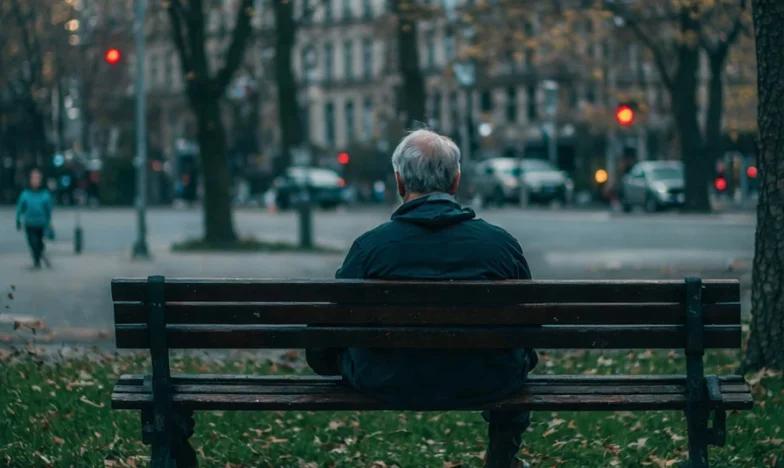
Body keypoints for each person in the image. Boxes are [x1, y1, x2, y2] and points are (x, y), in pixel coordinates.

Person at [307, 129, 537, 468]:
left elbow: (329, 329)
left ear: (399, 182)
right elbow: (530, 325)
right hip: (486, 379)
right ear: (455, 181)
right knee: (516, 357)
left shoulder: (371, 248)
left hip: (386, 379)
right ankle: (502, 458)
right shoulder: (500, 245)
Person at [16, 169, 53, 269]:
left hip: (41, 223)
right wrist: (18, 220)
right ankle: (37, 261)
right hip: (30, 224)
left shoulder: (45, 195)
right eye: (33, 178)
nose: (35, 181)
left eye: (37, 178)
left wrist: (49, 223)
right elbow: (19, 208)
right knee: (33, 243)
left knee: (40, 243)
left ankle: (40, 255)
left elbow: (48, 211)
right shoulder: (25, 194)